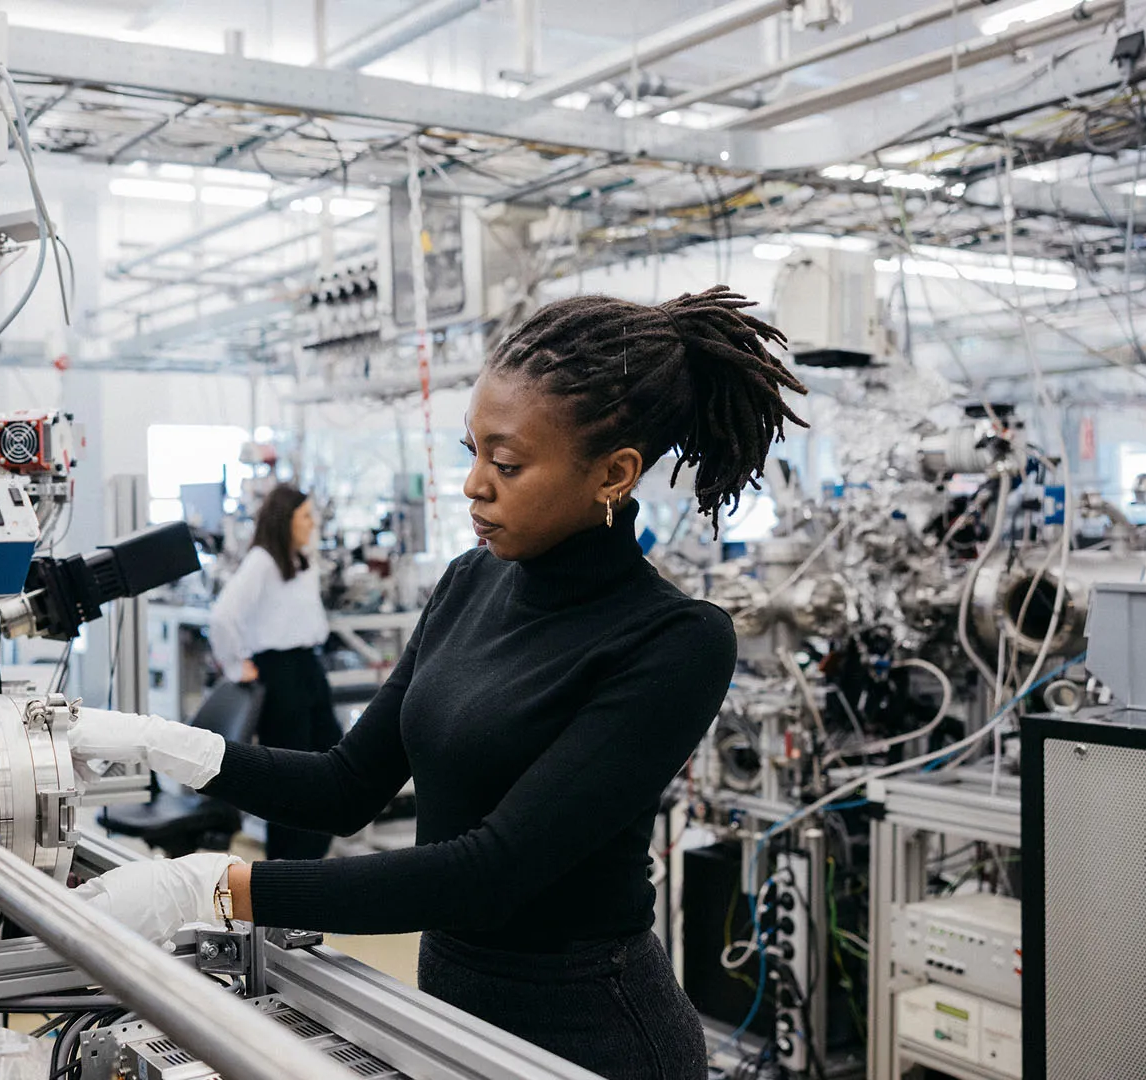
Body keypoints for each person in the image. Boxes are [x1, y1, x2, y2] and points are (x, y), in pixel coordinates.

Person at [70, 286, 808, 1080]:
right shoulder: (469, 581)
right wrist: (158, 744)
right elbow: (344, 787)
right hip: (444, 1004)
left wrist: (217, 886)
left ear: (614, 473)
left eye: (509, 462)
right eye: (472, 452)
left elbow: (488, 874)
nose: (473, 485)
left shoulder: (674, 640)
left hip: (589, 1031)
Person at [206, 483, 339, 859]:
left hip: (308, 667)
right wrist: (235, 665)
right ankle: (287, 865)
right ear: (286, 520)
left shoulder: (301, 559)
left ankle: (313, 857)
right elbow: (222, 616)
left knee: (331, 757)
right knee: (290, 776)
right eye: (306, 516)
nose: (313, 524)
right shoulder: (262, 561)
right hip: (280, 675)